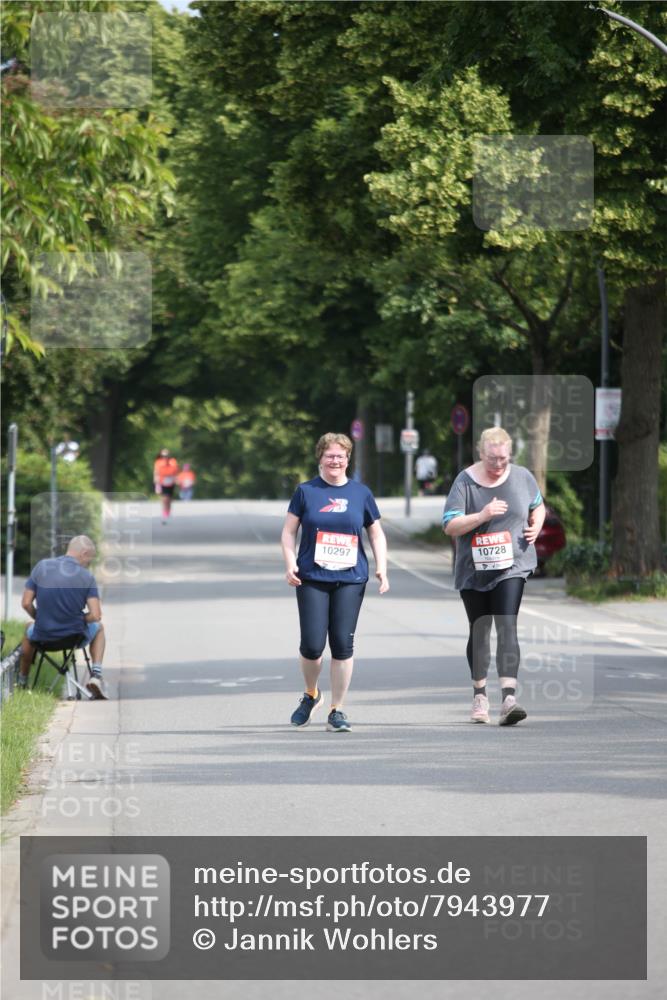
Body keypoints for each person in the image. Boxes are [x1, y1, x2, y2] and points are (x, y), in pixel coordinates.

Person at [281, 433, 389, 733]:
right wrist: (291, 564)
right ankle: (311, 694)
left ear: (348, 459)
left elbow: (376, 533)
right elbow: (289, 532)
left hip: (351, 578)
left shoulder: (361, 494)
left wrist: (382, 567)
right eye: (329, 455)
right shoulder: (306, 492)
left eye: (340, 455)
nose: (335, 460)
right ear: (320, 458)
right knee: (313, 645)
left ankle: (337, 709)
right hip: (312, 577)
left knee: (343, 644)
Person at [442, 427, 545, 726]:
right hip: (474, 569)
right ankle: (480, 695)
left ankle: (509, 698)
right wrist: (483, 515)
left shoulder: (523, 477)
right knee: (480, 630)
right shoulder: (465, 481)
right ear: (480, 452)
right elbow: (450, 525)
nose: (498, 464)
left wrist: (535, 526)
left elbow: (537, 506)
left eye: (503, 458)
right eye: (492, 458)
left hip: (513, 564)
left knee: (507, 624)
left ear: (510, 453)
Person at [17, 535, 107, 699]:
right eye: (89, 560)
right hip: (74, 637)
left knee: (28, 628)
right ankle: (96, 675)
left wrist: (40, 618)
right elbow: (96, 615)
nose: (88, 564)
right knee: (99, 628)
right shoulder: (87, 577)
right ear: (84, 553)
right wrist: (79, 619)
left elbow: (26, 603)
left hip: (43, 637)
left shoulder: (41, 567)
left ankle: (22, 681)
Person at [153, 448, 179, 523]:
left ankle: (168, 510)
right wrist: (156, 480)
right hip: (162, 481)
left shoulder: (173, 462)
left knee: (169, 497)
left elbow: (176, 471)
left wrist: (176, 479)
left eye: (167, 455)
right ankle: (164, 511)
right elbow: (156, 472)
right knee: (165, 497)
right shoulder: (158, 462)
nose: (165, 457)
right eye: (164, 455)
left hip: (171, 481)